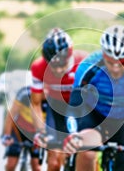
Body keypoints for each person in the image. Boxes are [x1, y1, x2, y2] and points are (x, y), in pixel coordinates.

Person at [62, 25, 124, 171]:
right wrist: (73, 134)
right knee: (87, 153)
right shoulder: (89, 67)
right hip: (94, 117)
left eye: (122, 63)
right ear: (104, 56)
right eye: (110, 62)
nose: (116, 68)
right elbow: (74, 106)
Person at [30, 28, 88, 171]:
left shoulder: (84, 63)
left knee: (87, 157)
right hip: (57, 108)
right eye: (53, 66)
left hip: (82, 108)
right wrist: (41, 132)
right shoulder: (38, 67)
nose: (57, 71)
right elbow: (35, 103)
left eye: (62, 65)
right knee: (54, 161)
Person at [2, 86, 46, 171]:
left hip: (37, 133)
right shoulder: (24, 94)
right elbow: (11, 116)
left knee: (36, 167)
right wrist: (7, 135)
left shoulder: (53, 98)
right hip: (19, 131)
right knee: (11, 165)